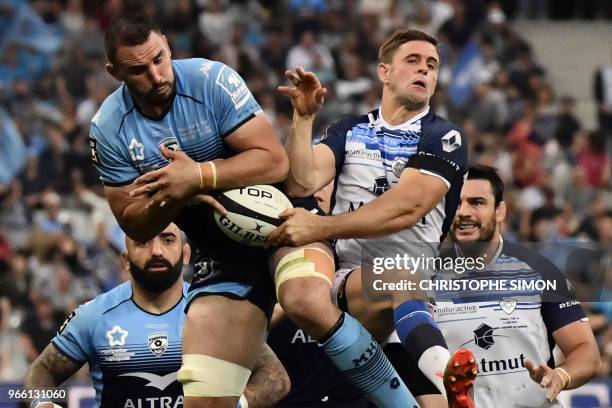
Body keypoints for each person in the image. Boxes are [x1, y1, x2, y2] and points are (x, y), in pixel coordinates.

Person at [88, 13, 408, 408]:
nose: (156, 75)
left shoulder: (211, 81)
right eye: (139, 70)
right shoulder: (108, 128)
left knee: (305, 301)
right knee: (205, 401)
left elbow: (274, 163)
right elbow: (131, 220)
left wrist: (200, 176)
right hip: (219, 253)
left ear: (168, 46)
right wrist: (174, 192)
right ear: (114, 71)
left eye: (159, 59)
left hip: (283, 220)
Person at [270, 29, 474, 408]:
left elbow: (406, 208)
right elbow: (303, 181)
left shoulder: (444, 136)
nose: (424, 71)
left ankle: (450, 387)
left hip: (413, 308)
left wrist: (322, 225)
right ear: (384, 72)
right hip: (352, 284)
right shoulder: (349, 130)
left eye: (432, 65)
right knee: (396, 276)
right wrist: (303, 119)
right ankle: (448, 374)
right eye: (413, 61)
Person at [24, 223, 290, 408]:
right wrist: (43, 402)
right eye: (143, 241)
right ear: (126, 260)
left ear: (185, 254)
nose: (156, 251)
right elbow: (42, 370)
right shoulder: (94, 315)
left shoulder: (216, 313)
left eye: (167, 239)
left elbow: (276, 379)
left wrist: (232, 405)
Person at [435, 165, 600, 407]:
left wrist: (561, 376)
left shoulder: (540, 269)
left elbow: (586, 352)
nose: (464, 212)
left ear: (500, 210)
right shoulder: (426, 276)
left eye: (477, 202)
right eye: (457, 204)